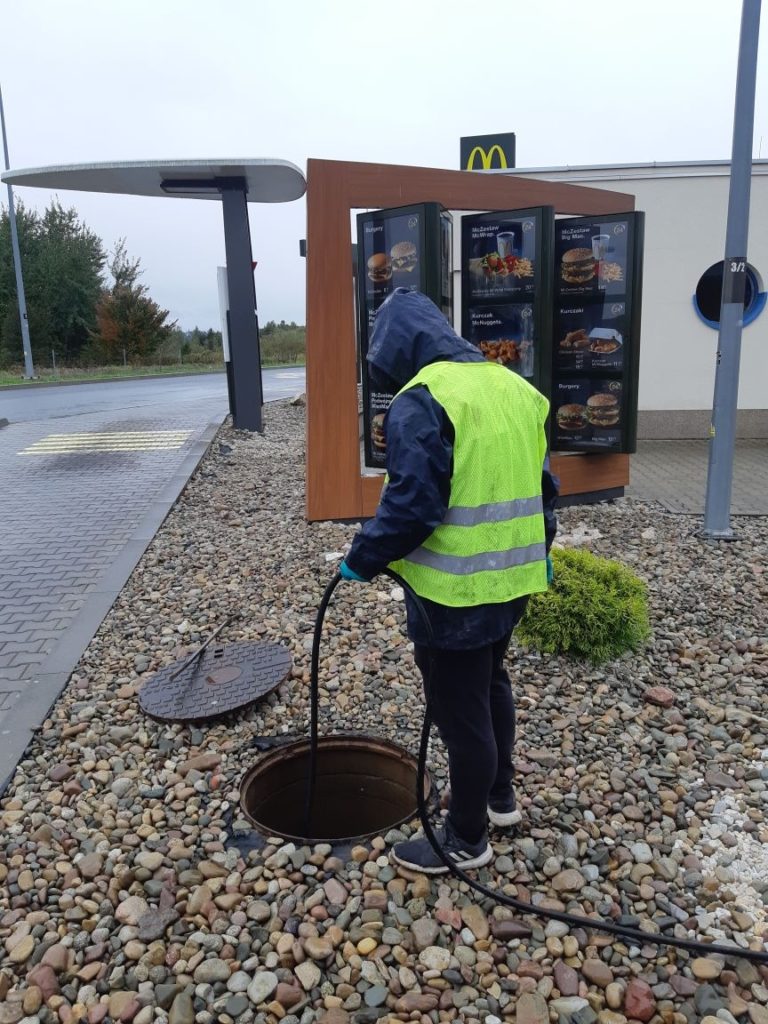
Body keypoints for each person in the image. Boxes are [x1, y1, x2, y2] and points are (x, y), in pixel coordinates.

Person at [340, 288, 558, 874]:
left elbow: (413, 507)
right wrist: (537, 554)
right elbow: (546, 494)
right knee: (491, 685)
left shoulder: (423, 400)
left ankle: (466, 838)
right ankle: (498, 798)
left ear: (399, 348)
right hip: (512, 579)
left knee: (460, 715)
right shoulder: (515, 388)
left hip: (452, 594)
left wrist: (361, 557)